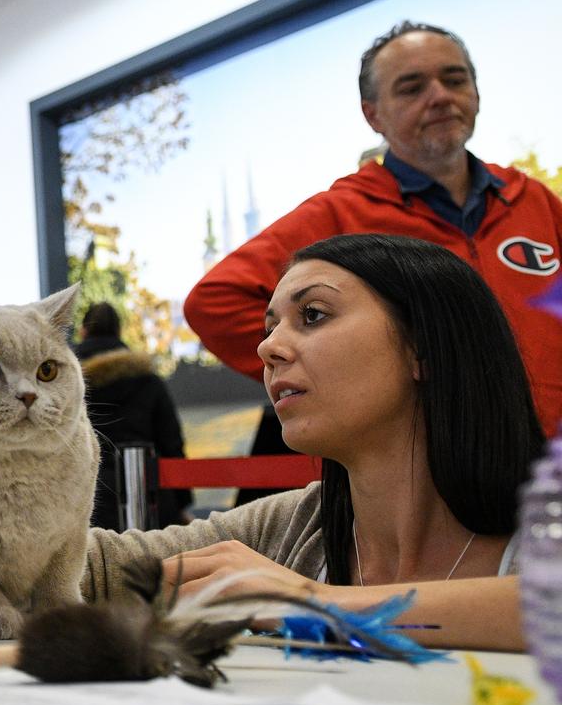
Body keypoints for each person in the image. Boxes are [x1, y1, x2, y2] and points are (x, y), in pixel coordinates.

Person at [86, 234, 546, 651]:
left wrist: (317, 604)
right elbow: (96, 569)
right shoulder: (288, 527)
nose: (268, 348)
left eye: (313, 315)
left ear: (423, 346)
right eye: (270, 327)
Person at [185, 21, 562, 435]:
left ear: (476, 93)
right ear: (373, 115)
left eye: (454, 79)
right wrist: (334, 381)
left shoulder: (532, 199)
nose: (439, 96)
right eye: (411, 88)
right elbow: (215, 303)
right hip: (434, 471)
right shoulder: (340, 216)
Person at [73, 302, 188, 529]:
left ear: (83, 331)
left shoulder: (68, 383)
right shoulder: (149, 380)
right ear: (119, 332)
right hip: (148, 499)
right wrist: (181, 504)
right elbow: (171, 443)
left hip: (87, 502)